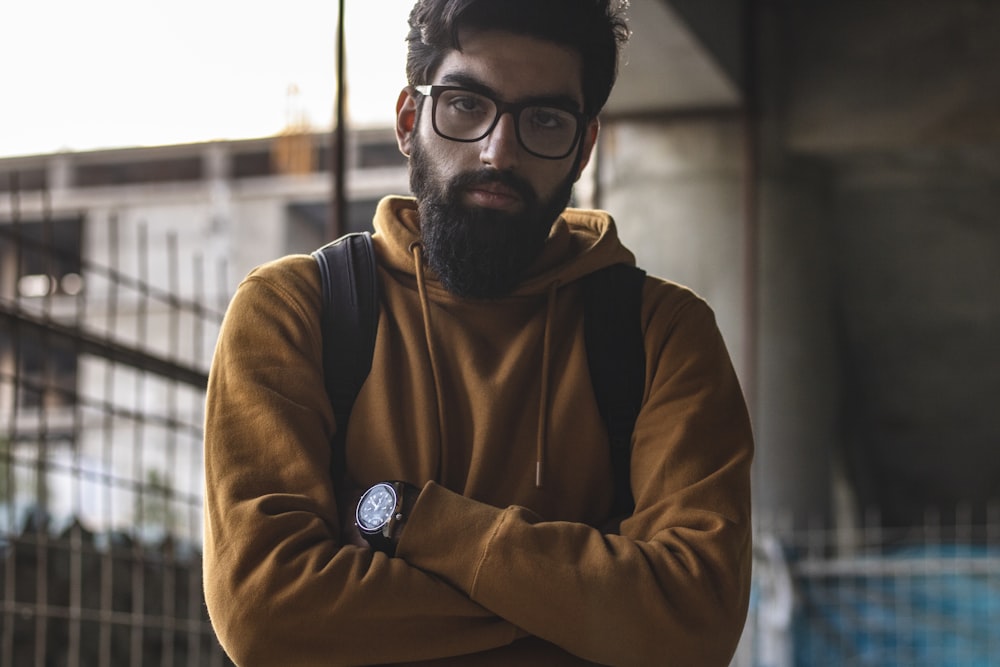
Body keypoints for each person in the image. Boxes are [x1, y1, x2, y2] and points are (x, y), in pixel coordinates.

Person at [203, 0, 754, 665]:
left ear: (582, 147)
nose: (500, 150)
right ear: (411, 119)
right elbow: (267, 612)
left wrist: (409, 519)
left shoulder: (662, 334)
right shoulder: (295, 311)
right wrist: (586, 603)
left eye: (544, 119)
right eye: (466, 104)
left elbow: (694, 622)